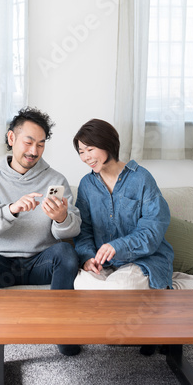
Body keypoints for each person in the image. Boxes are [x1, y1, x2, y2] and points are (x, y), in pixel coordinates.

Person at [0, 107, 81, 356]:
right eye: (28, 142)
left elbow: (72, 230)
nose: (34, 151)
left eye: (40, 144)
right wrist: (11, 210)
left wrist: (61, 218)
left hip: (40, 264)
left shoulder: (56, 180)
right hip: (0, 266)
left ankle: (63, 332)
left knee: (66, 252)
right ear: (11, 138)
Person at [72, 119, 174, 293]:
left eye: (90, 149)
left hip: (142, 261)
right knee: (81, 283)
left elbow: (153, 229)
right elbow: (84, 229)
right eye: (81, 152)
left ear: (107, 144)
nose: (85, 157)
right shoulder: (87, 185)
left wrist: (118, 246)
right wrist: (88, 258)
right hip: (103, 264)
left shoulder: (141, 178)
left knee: (122, 286)